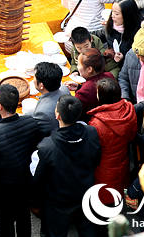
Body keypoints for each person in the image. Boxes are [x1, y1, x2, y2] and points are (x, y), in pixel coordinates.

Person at [33, 95, 101, 237]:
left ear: (57, 115)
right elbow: (96, 159)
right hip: (85, 193)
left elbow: (39, 178)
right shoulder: (91, 132)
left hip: (59, 201)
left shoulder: (47, 146)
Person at [0, 83, 41, 237]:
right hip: (25, 182)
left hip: (3, 189)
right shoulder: (31, 123)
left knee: (5, 223)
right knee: (23, 218)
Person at [71, 49, 115, 113]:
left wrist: (81, 90)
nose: (77, 67)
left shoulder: (83, 93)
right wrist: (79, 87)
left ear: (89, 69)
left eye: (79, 64)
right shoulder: (109, 76)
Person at [33, 61, 71, 133]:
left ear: (41, 85)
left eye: (34, 77)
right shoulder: (64, 89)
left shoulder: (42, 113)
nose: (33, 80)